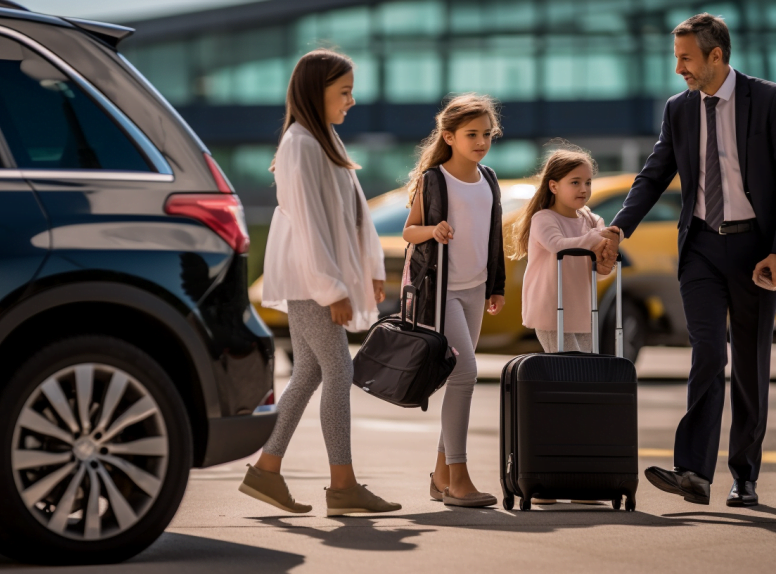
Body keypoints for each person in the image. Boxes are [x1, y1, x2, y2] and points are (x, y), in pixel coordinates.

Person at [605, 13, 776, 507]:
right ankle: (693, 470)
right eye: (676, 59)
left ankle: (745, 473)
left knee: (750, 364)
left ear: (716, 56)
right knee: (708, 353)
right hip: (699, 246)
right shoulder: (679, 110)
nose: (679, 69)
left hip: (756, 250)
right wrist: (618, 227)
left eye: (686, 58)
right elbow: (654, 175)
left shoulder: (770, 100)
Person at [239, 49, 401, 517]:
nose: (351, 101)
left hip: (315, 278)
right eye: (344, 92)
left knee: (311, 372)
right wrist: (332, 289)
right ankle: (343, 485)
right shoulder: (302, 144)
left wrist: (369, 269)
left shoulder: (322, 138)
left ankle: (266, 471)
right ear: (317, 92)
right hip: (311, 281)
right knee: (339, 370)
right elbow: (310, 225)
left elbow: (353, 212)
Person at [402, 94, 507, 508]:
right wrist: (433, 230)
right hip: (441, 292)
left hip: (475, 290)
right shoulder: (434, 180)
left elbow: (493, 236)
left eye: (487, 134)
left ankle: (441, 476)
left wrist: (495, 285)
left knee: (458, 382)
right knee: (464, 375)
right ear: (449, 136)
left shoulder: (490, 178)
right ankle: (459, 478)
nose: (481, 141)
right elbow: (410, 231)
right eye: (471, 135)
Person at [509, 142, 618, 506]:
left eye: (588, 182)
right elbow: (559, 247)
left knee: (583, 389)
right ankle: (551, 475)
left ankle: (581, 474)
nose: (584, 189)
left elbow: (599, 267)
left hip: (581, 311)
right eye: (575, 182)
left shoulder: (591, 219)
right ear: (553, 185)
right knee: (564, 384)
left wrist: (606, 256)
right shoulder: (545, 219)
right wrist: (596, 240)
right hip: (550, 310)